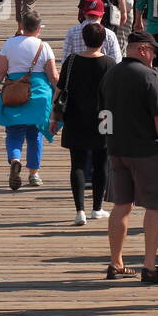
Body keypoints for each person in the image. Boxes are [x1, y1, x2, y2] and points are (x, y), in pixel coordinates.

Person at [97, 31, 158, 284]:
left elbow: (103, 114)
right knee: (154, 206)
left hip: (117, 149)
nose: (154, 56)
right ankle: (150, 267)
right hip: (147, 151)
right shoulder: (149, 76)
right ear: (142, 49)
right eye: (153, 51)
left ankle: (115, 262)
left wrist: (109, 143)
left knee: (121, 205)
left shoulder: (110, 74)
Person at [0, 9, 58, 190]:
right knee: (35, 134)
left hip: (13, 92)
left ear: (22, 27)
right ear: (38, 29)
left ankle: (15, 159)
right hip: (38, 95)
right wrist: (60, 92)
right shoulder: (44, 47)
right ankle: (34, 174)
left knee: (14, 132)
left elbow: (1, 70)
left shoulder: (9, 44)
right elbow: (53, 75)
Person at [50, 21, 115, 225]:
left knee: (77, 164)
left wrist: (54, 118)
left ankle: (80, 211)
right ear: (103, 41)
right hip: (104, 118)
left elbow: (59, 91)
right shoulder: (109, 64)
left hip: (75, 116)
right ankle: (97, 208)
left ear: (83, 39)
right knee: (101, 163)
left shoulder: (71, 62)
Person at [62, 0, 123, 64]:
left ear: (84, 13)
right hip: (103, 72)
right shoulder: (110, 34)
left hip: (78, 72)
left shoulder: (72, 32)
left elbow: (65, 60)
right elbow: (117, 61)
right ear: (102, 15)